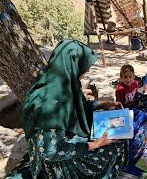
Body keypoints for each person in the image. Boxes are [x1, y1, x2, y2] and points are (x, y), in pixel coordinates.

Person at [6, 40, 128, 179]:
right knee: (113, 147)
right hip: (57, 162)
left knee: (116, 136)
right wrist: (94, 145)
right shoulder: (49, 104)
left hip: (67, 140)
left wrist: (102, 104)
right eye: (84, 65)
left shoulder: (63, 85)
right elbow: (51, 152)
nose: (87, 70)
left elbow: (79, 108)